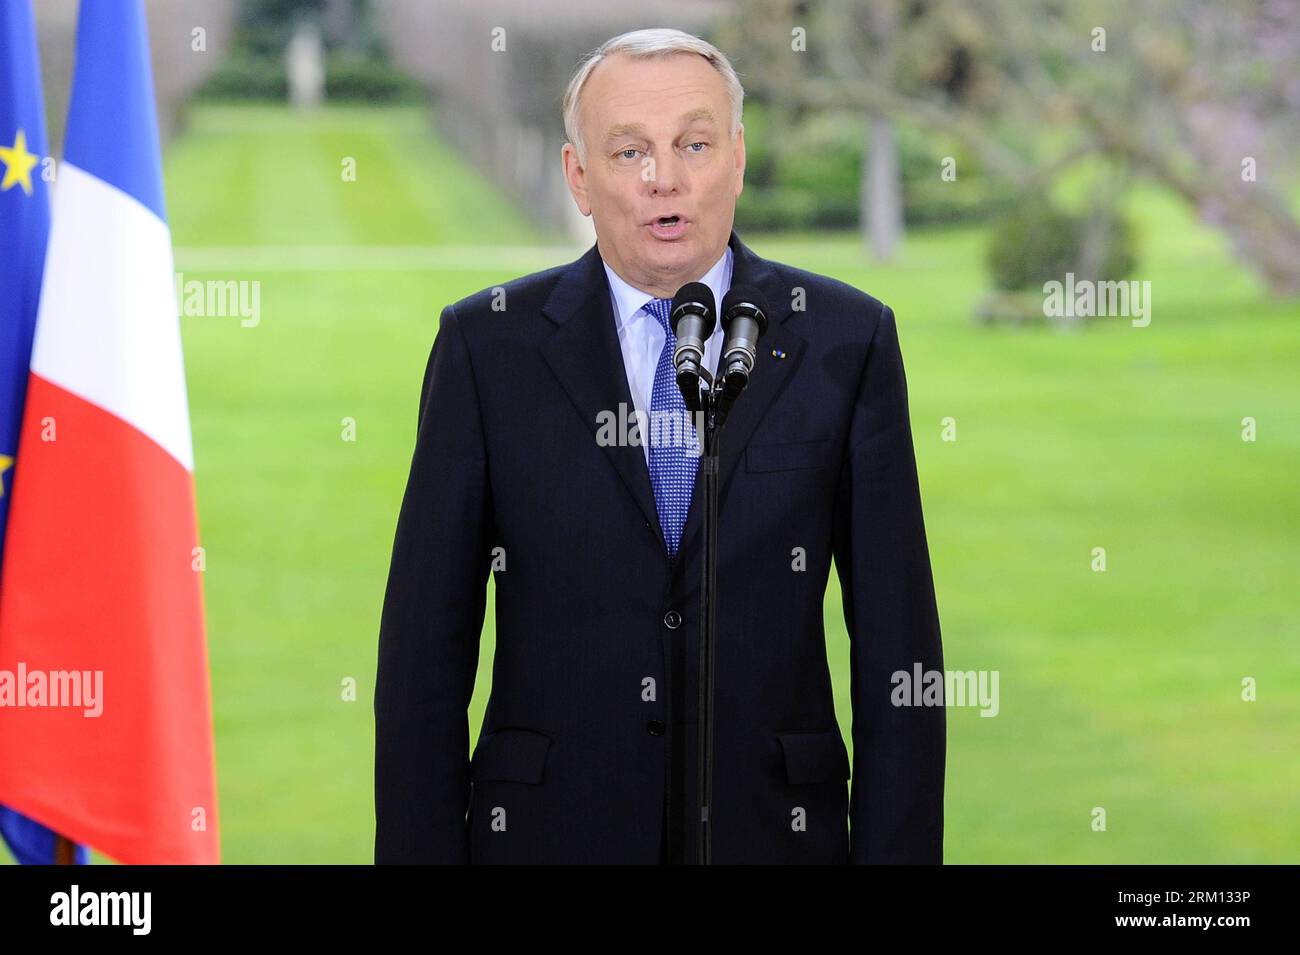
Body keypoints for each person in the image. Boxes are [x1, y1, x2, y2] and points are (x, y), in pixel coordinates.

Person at [374, 27, 945, 864]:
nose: (664, 178)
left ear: (738, 159)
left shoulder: (846, 340)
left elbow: (901, 652)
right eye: (629, 150)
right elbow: (424, 659)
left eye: (695, 144)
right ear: (579, 175)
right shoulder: (484, 348)